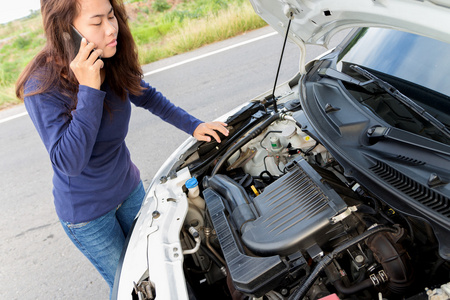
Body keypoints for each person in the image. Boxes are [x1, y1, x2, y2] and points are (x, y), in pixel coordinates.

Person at [15, 0, 228, 295]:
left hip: (129, 190)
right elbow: (69, 161)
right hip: (88, 216)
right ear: (67, 29)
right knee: (136, 289)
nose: (111, 28)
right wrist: (89, 88)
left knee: (169, 272)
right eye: (97, 22)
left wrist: (193, 125)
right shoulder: (41, 85)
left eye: (112, 16)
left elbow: (146, 95)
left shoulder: (110, 55)